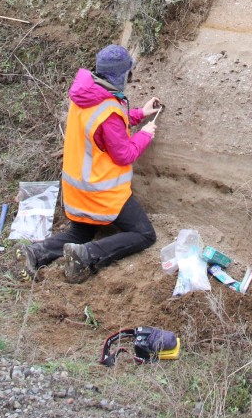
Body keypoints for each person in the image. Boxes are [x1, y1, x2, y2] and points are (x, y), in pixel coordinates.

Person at [16, 44, 160, 282]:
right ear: (122, 75)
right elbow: (124, 154)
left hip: (76, 191)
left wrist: (138, 114)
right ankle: (87, 255)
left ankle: (36, 252)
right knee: (144, 234)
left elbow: (107, 127)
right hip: (101, 193)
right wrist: (144, 134)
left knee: (81, 231)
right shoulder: (108, 109)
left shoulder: (86, 94)